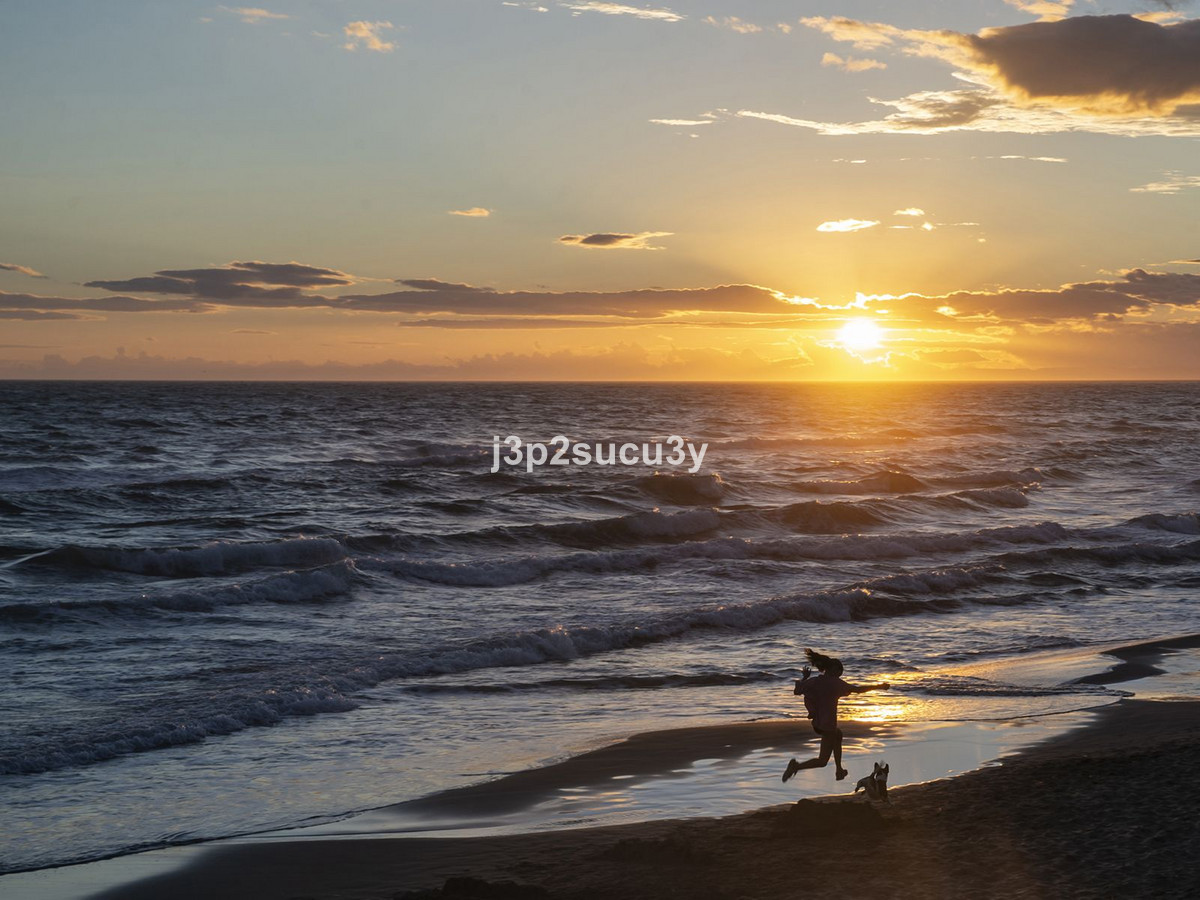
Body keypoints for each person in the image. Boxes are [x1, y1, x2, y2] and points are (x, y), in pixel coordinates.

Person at [782, 648, 889, 783]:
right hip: (827, 726)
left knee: (838, 735)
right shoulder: (836, 683)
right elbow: (858, 690)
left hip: (818, 723)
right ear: (834, 670)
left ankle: (839, 770)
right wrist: (879, 686)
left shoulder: (815, 681)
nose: (839, 676)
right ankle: (796, 766)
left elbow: (797, 691)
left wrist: (805, 677)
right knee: (822, 761)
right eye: (839, 673)